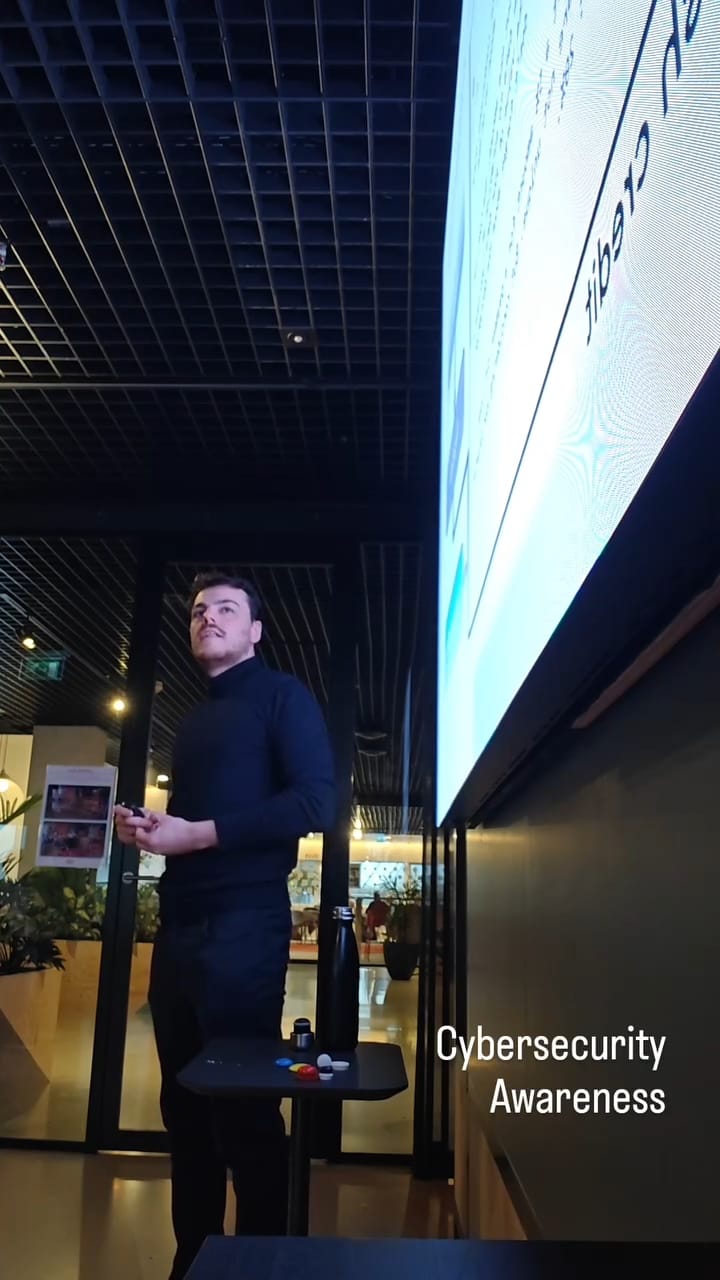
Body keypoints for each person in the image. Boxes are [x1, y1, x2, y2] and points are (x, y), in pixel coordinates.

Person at [114, 572, 336, 1280]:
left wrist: (199, 832)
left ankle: (263, 1265)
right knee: (182, 1108)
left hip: (244, 925)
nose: (208, 617)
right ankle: (195, 1263)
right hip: (179, 922)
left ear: (256, 631)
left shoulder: (283, 697)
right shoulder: (194, 719)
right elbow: (191, 829)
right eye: (198, 611)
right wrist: (156, 830)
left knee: (243, 1112)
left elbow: (315, 803)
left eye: (226, 609)